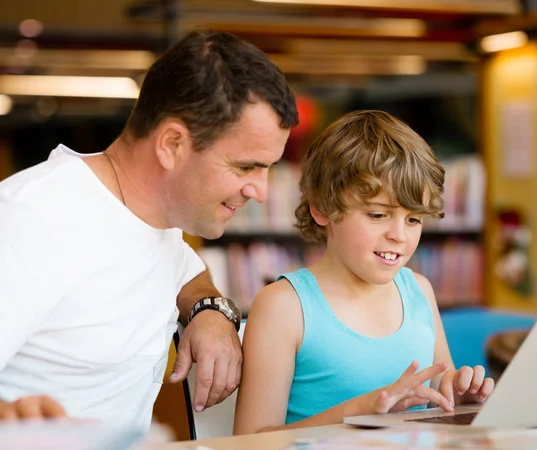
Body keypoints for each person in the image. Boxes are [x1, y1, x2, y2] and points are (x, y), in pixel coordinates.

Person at [0, 29, 298, 428]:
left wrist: (210, 309)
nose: (260, 190)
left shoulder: (160, 221)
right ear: (172, 144)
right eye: (245, 166)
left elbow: (185, 270)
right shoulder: (31, 220)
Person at [233, 110, 494, 434]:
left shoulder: (419, 290)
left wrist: (460, 395)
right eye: (377, 215)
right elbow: (248, 441)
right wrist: (361, 411)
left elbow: (442, 392)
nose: (399, 235)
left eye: (413, 219)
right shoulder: (284, 305)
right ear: (322, 208)